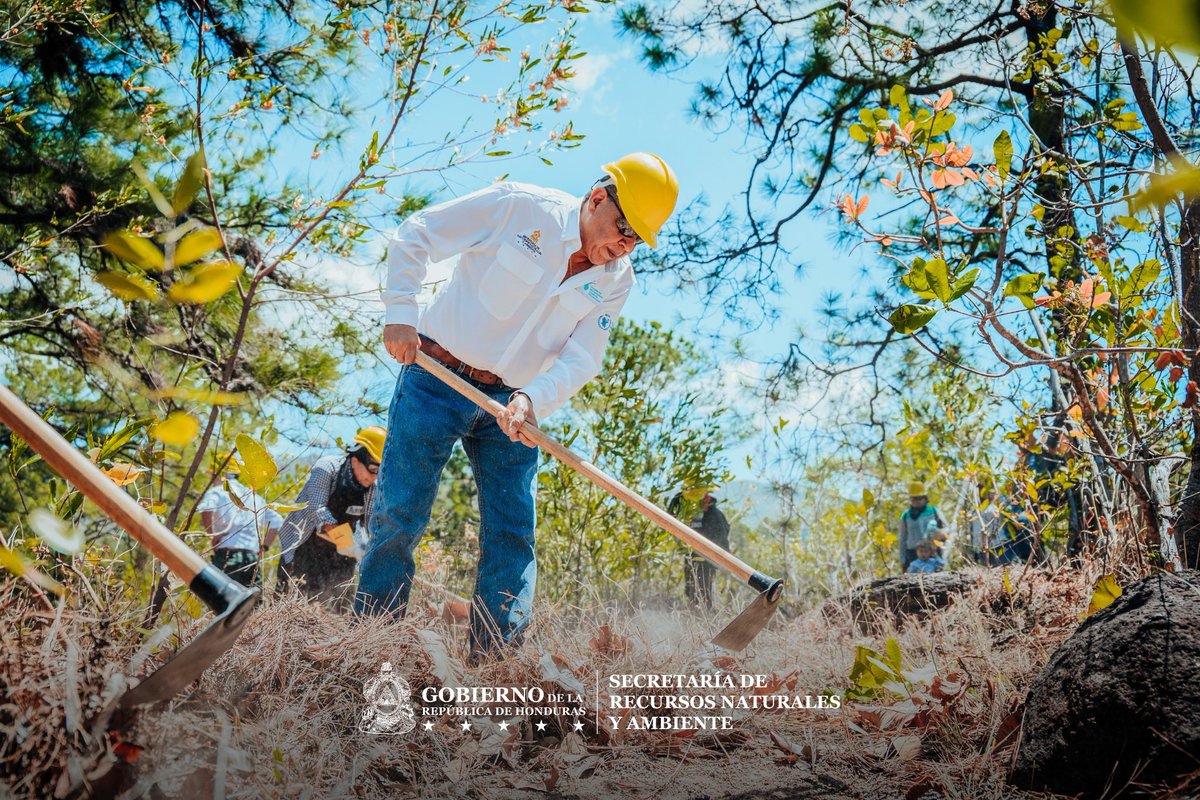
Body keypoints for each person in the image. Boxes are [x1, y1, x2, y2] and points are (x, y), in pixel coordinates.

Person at [357, 153, 680, 661]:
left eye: (637, 238)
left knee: (513, 532)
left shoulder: (617, 280)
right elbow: (418, 232)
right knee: (401, 510)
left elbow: (582, 357)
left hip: (511, 407)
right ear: (597, 198)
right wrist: (400, 311)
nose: (624, 244)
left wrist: (533, 398)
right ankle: (370, 643)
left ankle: (496, 664)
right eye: (623, 226)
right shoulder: (519, 208)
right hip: (435, 378)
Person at [275, 426, 384, 607]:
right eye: (372, 469)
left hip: (341, 552)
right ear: (356, 460)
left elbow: (371, 524)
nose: (374, 477)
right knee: (291, 601)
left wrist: (368, 551)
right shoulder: (327, 468)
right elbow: (317, 510)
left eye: (379, 472)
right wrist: (348, 542)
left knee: (339, 605)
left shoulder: (373, 486)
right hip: (305, 541)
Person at [197, 457, 282, 588]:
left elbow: (207, 508)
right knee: (252, 604)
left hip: (227, 556)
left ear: (220, 473)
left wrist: (212, 536)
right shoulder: (253, 496)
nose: (212, 480)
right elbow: (276, 521)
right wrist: (264, 547)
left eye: (213, 476)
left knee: (222, 602)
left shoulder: (217, 491)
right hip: (252, 559)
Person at [668, 492, 730, 609]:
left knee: (702, 590)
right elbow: (671, 517)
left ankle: (704, 615)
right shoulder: (681, 501)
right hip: (693, 553)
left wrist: (723, 559)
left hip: (709, 555)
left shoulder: (714, 514)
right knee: (691, 588)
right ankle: (697, 612)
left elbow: (722, 536)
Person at [897, 481, 948, 571]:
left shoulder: (934, 511)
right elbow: (902, 538)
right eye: (913, 499)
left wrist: (940, 534)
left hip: (932, 552)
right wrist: (903, 560)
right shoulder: (905, 515)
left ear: (925, 498)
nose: (916, 501)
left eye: (919, 498)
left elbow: (947, 529)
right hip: (913, 553)